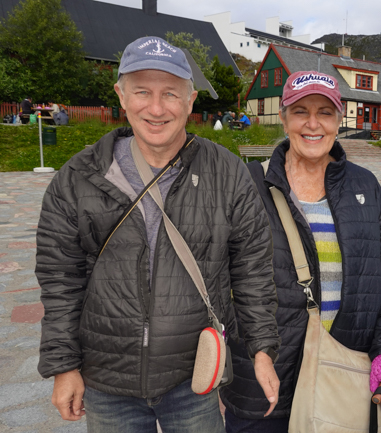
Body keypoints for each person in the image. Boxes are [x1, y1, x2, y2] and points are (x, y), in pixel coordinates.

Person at [35, 36, 280, 433]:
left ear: (190, 99)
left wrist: (263, 350)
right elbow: (60, 281)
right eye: (142, 92)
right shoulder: (78, 178)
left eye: (170, 93)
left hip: (194, 379)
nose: (156, 108)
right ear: (121, 94)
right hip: (107, 381)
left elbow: (253, 272)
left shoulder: (228, 174)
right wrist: (64, 365)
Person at [220, 70, 381, 432]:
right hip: (262, 382)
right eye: (300, 112)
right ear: (283, 117)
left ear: (339, 120)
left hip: (341, 375)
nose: (313, 124)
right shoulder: (248, 184)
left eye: (325, 113)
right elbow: (218, 272)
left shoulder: (364, 186)